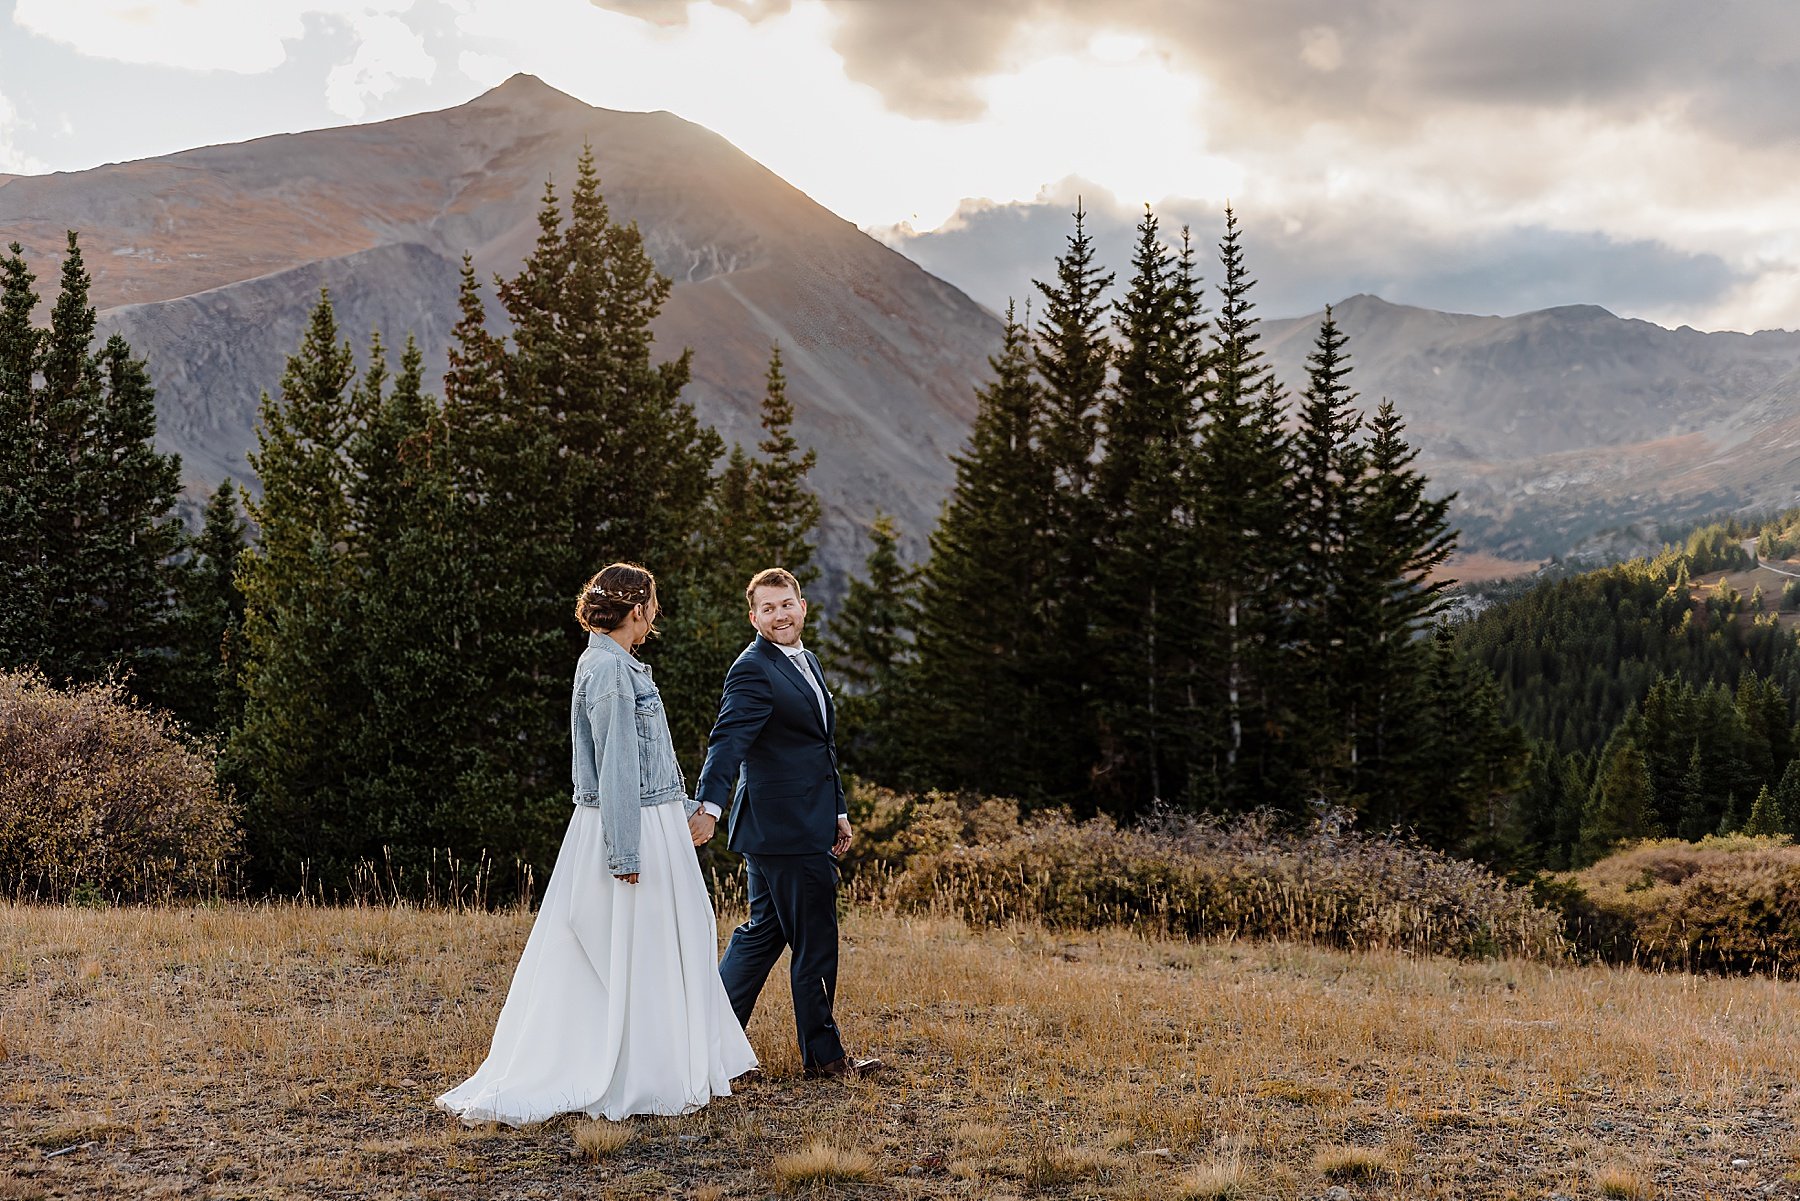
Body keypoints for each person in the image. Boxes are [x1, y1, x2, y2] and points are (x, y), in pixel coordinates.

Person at [436, 562, 757, 1125]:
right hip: (626, 827)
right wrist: (625, 852)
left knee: (670, 940)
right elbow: (614, 768)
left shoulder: (619, 664)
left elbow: (647, 761)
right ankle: (638, 1074)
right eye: (652, 605)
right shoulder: (608, 671)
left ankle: (668, 1062)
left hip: (650, 818)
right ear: (637, 611)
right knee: (636, 946)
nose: (654, 614)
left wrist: (683, 810)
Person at [690, 567, 884, 1079]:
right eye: (768, 608)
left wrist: (838, 810)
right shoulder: (753, 668)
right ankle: (824, 1060)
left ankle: (706, 1047)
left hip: (800, 823)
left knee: (760, 938)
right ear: (754, 617)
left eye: (787, 604)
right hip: (785, 829)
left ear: (803, 606)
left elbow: (821, 748)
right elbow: (727, 741)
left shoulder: (808, 661)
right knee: (815, 940)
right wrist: (710, 806)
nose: (780, 615)